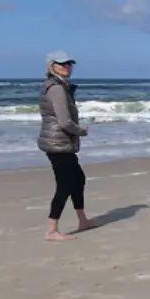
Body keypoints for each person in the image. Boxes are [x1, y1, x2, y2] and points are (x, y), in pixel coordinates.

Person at [38, 51, 96, 241]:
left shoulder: (62, 86)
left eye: (69, 64)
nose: (67, 67)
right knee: (65, 185)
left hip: (60, 142)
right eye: (62, 64)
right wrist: (81, 131)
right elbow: (64, 122)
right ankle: (51, 230)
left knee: (78, 179)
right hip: (57, 143)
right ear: (52, 66)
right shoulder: (56, 89)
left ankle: (83, 221)